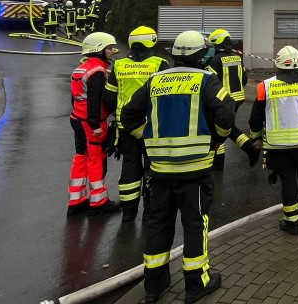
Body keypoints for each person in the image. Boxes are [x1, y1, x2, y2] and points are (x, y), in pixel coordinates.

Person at [120, 30, 259, 303]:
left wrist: (148, 138)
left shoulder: (155, 80)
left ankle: (154, 286)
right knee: (195, 225)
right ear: (201, 54)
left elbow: (128, 116)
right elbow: (225, 115)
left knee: (159, 224)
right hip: (194, 170)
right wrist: (215, 139)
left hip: (159, 171)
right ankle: (197, 283)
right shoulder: (206, 80)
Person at [249, 45, 298, 235]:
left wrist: (256, 137)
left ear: (278, 64)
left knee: (288, 180)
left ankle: (291, 222)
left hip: (278, 146)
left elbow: (256, 118)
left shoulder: (264, 87)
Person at [104, 26, 169, 223]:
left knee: (130, 165)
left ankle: (128, 212)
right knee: (152, 167)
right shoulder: (160, 64)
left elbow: (108, 97)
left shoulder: (119, 65)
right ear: (152, 42)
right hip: (152, 127)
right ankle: (149, 210)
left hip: (126, 128)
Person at [66, 32, 121, 217]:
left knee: (80, 156)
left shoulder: (81, 68)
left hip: (77, 119)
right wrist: (96, 124)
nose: (111, 52)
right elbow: (95, 100)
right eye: (109, 48)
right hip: (91, 124)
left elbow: (75, 98)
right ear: (99, 49)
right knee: (96, 158)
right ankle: (99, 202)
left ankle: (76, 201)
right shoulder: (97, 72)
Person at [204, 28, 248, 171]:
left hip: (224, 100)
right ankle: (249, 147)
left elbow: (209, 81)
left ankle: (217, 164)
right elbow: (245, 79)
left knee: (219, 128)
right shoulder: (237, 57)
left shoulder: (216, 60)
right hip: (239, 98)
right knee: (227, 127)